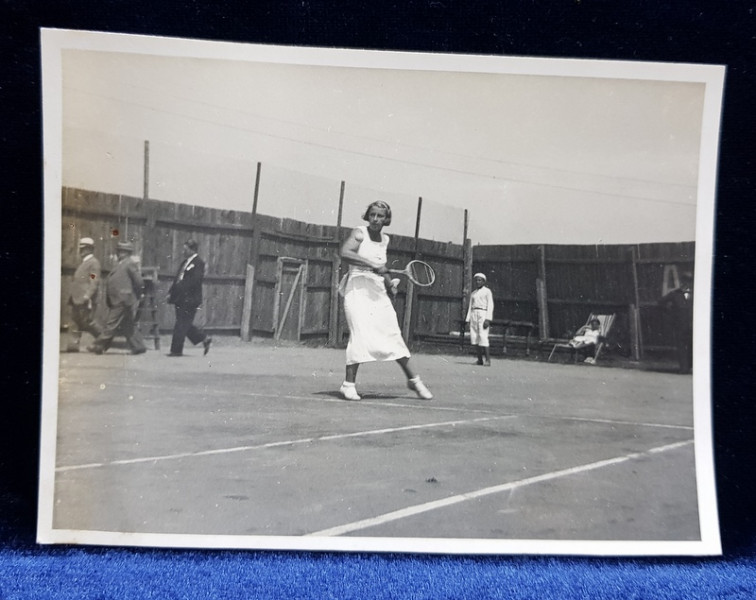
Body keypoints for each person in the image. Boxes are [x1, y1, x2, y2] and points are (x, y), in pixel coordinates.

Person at [338, 200, 433, 401]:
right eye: (372, 214)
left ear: (386, 219)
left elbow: (382, 265)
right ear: (367, 215)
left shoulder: (385, 239)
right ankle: (348, 385)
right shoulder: (359, 233)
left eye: (380, 216)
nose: (375, 219)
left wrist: (390, 284)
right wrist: (372, 265)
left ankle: (414, 380)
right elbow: (345, 253)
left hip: (377, 291)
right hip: (357, 290)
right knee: (360, 334)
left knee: (392, 335)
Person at [87, 241, 147, 355]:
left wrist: (138, 293)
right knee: (127, 324)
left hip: (123, 298)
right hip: (120, 299)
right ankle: (139, 346)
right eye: (119, 251)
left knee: (111, 323)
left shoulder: (129, 263)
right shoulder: (121, 263)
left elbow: (138, 281)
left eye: (122, 251)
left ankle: (98, 345)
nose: (119, 253)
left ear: (127, 253)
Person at [167, 239, 212, 357]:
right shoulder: (185, 262)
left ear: (192, 250)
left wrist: (180, 287)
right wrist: (171, 291)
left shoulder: (199, 263)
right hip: (180, 298)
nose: (183, 251)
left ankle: (176, 350)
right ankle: (204, 338)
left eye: (185, 249)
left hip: (190, 299)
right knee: (184, 323)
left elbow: (195, 281)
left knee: (181, 323)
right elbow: (178, 278)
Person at [66, 237, 102, 352]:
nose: (81, 251)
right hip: (76, 298)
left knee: (87, 322)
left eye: (84, 249)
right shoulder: (84, 262)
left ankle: (104, 340)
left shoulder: (93, 263)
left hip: (84, 298)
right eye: (81, 249)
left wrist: (88, 295)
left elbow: (94, 281)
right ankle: (73, 345)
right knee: (75, 321)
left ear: (90, 249)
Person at [658, 271, 694, 374]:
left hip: (695, 325)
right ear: (681, 281)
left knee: (693, 346)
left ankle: (690, 366)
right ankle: (684, 368)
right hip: (680, 325)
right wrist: (671, 313)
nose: (686, 283)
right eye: (684, 281)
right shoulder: (675, 294)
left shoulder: (697, 294)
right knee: (681, 346)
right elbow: (661, 302)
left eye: (689, 281)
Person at [465, 272, 494, 366]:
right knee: (475, 337)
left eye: (480, 280)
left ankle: (488, 360)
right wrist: (468, 320)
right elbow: (470, 306)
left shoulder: (487, 291)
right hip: (474, 314)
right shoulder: (473, 293)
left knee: (483, 336)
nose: (478, 282)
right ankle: (480, 360)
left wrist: (488, 319)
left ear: (483, 281)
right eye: (476, 280)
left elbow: (490, 305)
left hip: (483, 314)